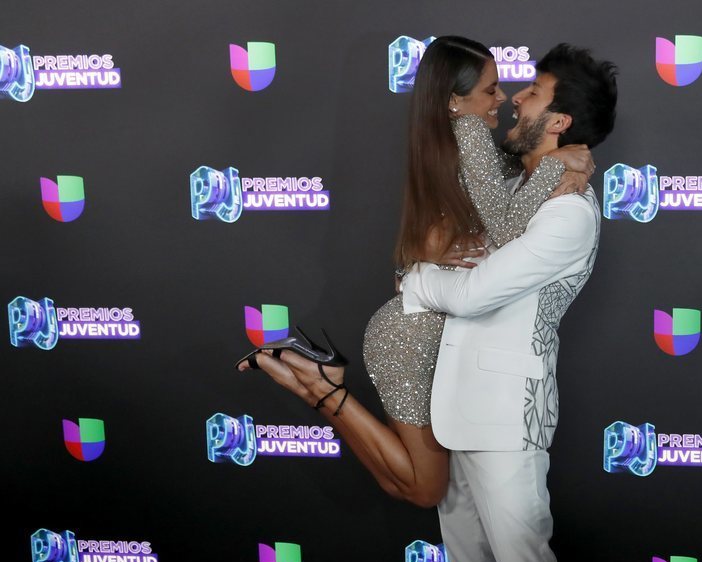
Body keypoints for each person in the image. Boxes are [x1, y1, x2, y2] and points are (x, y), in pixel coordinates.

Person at [251, 42, 618, 562]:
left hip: (504, 415)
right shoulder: (527, 181)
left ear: (558, 122)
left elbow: (474, 294)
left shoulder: (568, 215)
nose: (515, 100)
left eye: (532, 94)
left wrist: (415, 280)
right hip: (449, 398)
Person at [236, 35, 594, 508]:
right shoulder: (468, 136)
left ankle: (321, 384)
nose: (503, 98)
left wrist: (562, 157)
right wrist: (556, 165)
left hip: (419, 334)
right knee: (424, 489)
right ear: (455, 101)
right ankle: (321, 388)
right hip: (412, 339)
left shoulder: (458, 138)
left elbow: (492, 199)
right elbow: (508, 230)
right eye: (491, 89)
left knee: (413, 484)